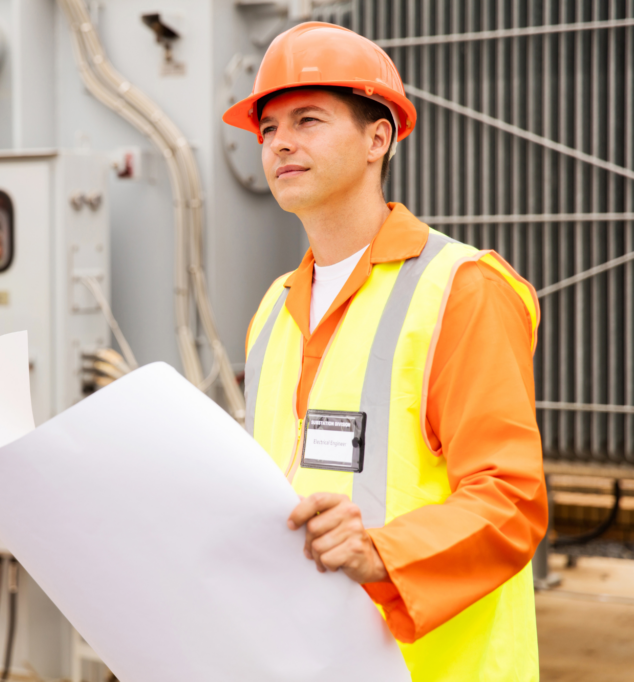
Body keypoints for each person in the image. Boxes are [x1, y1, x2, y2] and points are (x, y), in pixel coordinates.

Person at [224, 22, 547, 681]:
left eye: (308, 120)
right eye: (268, 129)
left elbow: (510, 499)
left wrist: (382, 552)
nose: (281, 142)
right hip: (308, 660)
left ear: (380, 137)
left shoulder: (462, 288)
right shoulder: (274, 306)